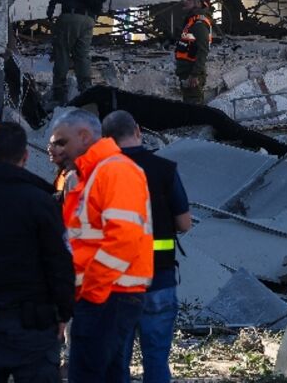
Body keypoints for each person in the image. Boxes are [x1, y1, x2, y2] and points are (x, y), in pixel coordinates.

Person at [0, 121, 74, 383]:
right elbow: (59, 262)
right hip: (34, 327)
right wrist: (63, 313)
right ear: (25, 156)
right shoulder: (41, 202)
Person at [50, 109, 153, 383]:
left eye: (62, 142)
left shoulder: (114, 170)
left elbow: (123, 240)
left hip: (107, 295)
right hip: (106, 295)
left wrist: (91, 293)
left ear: (84, 137)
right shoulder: (93, 175)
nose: (55, 150)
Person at [102, 111, 192, 383]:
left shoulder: (100, 173)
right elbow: (185, 224)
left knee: (117, 360)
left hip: (117, 282)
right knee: (156, 358)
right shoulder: (164, 169)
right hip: (159, 276)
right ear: (138, 130)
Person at [46, 0, 111, 106]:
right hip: (89, 20)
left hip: (71, 15)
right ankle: (86, 90)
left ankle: (59, 94)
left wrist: (52, 5)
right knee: (82, 56)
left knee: (62, 53)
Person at [174, 0, 213, 104]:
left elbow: (203, 50)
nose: (185, 1)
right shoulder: (192, 21)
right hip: (186, 72)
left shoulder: (199, 23)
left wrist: (195, 75)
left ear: (198, 3)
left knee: (194, 105)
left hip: (191, 74)